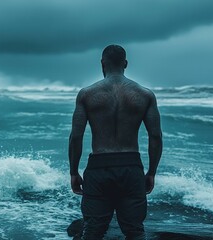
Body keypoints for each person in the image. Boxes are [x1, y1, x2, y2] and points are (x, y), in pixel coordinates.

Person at [68, 44, 163, 240]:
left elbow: (76, 136)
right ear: (126, 63)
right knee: (135, 232)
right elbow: (156, 136)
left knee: (93, 232)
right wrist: (151, 172)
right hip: (131, 166)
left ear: (102, 64)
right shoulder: (145, 95)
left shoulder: (87, 94)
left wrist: (73, 171)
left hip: (98, 168)